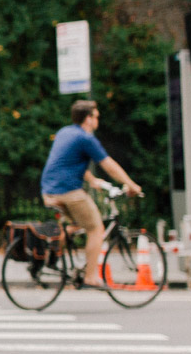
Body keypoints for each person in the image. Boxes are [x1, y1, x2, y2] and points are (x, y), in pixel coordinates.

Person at [41, 99, 142, 287]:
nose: (98, 120)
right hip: (68, 192)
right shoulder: (86, 138)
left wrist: (93, 181)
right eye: (96, 117)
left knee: (74, 225)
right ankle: (90, 277)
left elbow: (67, 162)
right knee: (96, 229)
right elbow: (109, 165)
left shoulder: (65, 132)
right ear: (88, 119)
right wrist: (131, 184)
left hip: (48, 191)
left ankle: (49, 258)